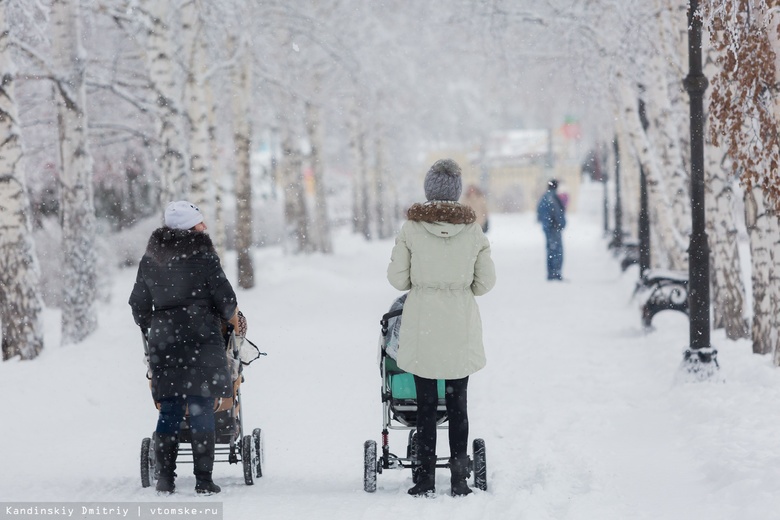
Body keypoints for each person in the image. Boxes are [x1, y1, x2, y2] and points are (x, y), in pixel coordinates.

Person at [387, 159, 496, 497]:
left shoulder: (411, 229)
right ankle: (460, 478)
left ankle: (424, 478)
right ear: (456, 191)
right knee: (457, 404)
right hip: (459, 323)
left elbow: (397, 279)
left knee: (425, 406)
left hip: (424, 325)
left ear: (429, 190)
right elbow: (485, 283)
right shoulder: (473, 231)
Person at [129, 201, 237, 495]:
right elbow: (227, 302)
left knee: (171, 410)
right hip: (202, 338)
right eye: (200, 222)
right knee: (202, 406)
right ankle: (204, 480)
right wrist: (221, 317)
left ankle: (165, 479)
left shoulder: (150, 259)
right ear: (191, 226)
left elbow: (138, 304)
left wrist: (158, 321)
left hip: (165, 341)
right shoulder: (205, 257)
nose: (205, 227)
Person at [536, 179, 567, 281]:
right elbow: (557, 213)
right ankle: (555, 273)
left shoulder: (546, 197)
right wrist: (560, 224)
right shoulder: (552, 198)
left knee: (550, 250)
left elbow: (540, 212)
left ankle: (551, 272)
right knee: (556, 250)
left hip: (549, 228)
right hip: (553, 228)